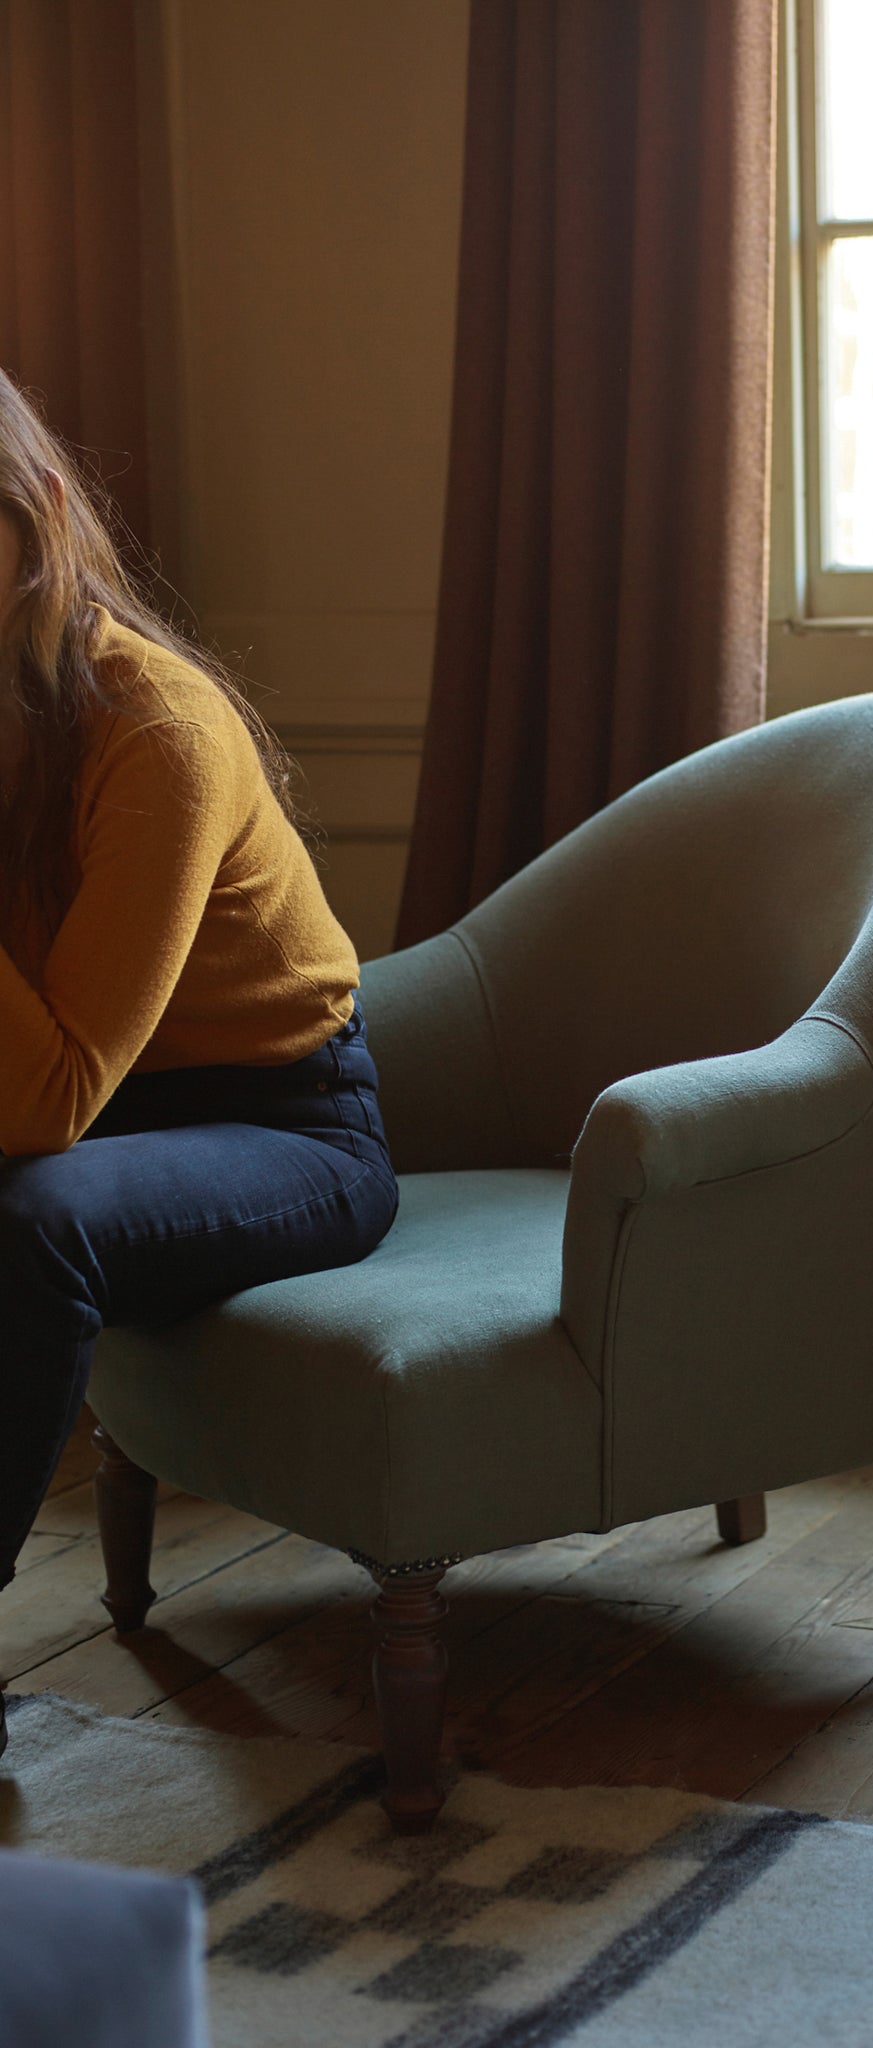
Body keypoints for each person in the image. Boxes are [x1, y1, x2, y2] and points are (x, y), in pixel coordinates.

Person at [0, 372, 399, 1756]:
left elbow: (46, 1102)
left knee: (35, 1221)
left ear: (41, 517)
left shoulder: (152, 726)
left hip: (288, 1129)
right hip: (90, 1116)